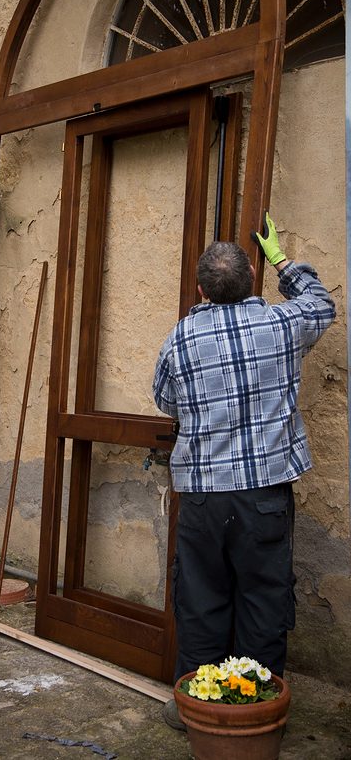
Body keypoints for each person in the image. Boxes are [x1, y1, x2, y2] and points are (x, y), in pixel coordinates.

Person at [152, 214, 335, 730]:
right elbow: (323, 304)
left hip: (205, 497)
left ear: (202, 287)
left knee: (201, 598)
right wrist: (281, 258)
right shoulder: (281, 323)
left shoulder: (182, 336)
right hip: (264, 496)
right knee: (263, 597)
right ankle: (253, 711)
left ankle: (199, 712)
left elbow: (166, 399)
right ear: (252, 280)